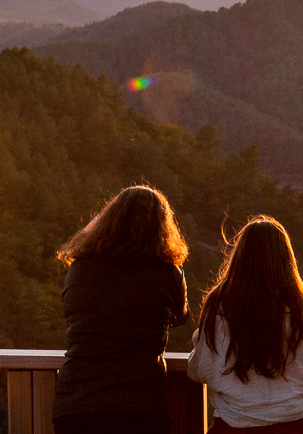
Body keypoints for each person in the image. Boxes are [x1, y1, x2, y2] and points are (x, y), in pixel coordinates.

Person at [187, 216, 303, 434]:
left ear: (239, 259)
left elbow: (199, 369)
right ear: (287, 261)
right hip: (295, 429)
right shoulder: (301, 313)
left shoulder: (219, 311)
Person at [53, 185, 190, 434]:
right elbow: (182, 317)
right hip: (141, 406)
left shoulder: (80, 269)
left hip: (77, 403)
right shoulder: (168, 273)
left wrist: (89, 231)